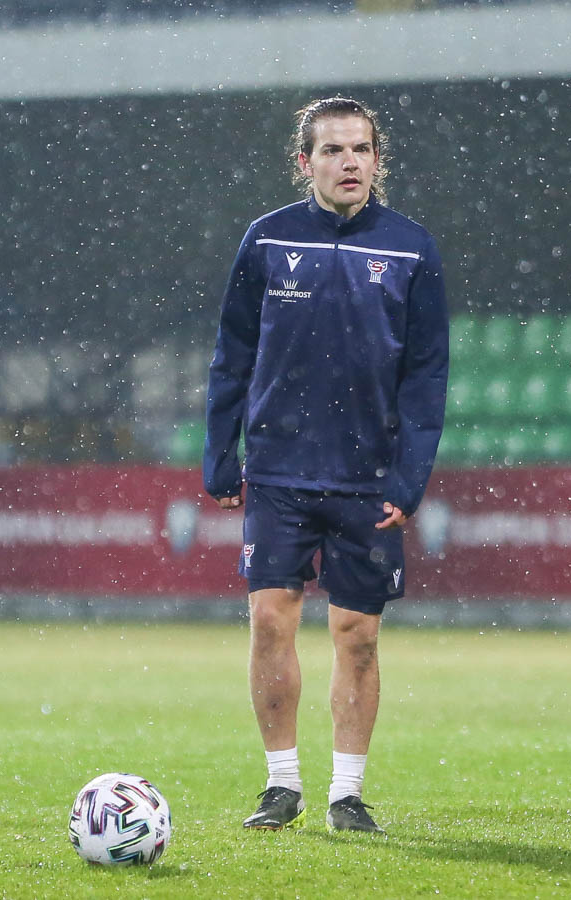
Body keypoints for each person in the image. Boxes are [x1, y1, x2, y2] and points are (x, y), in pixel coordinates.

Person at [204, 97, 449, 834]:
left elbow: (427, 375)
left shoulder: (411, 247)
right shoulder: (267, 239)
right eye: (334, 150)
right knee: (270, 621)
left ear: (377, 160)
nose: (349, 162)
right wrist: (220, 451)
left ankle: (347, 794)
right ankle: (281, 785)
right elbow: (232, 354)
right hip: (279, 469)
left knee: (358, 636)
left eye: (361, 149)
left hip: (367, 478)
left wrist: (410, 477)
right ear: (304, 161)